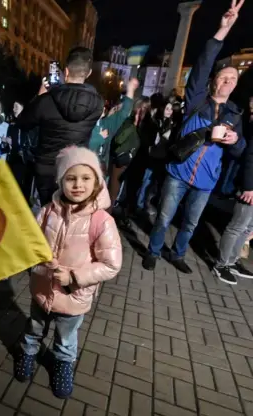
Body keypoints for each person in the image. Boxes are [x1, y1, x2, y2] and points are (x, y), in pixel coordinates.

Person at [142, 1, 247, 274]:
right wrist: (222, 31)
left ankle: (177, 255)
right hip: (179, 172)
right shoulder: (196, 100)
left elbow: (240, 151)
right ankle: (153, 251)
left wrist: (235, 141)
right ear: (214, 81)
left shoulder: (234, 114)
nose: (227, 82)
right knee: (164, 217)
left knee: (190, 223)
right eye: (223, 77)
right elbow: (202, 65)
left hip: (206, 181)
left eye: (232, 79)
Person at [14, 147, 122, 398]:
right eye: (71, 178)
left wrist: (74, 277)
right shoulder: (47, 211)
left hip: (74, 296)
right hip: (41, 289)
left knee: (66, 336)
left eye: (86, 178)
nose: (78, 185)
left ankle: (63, 364)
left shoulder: (101, 221)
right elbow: (34, 241)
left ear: (97, 181)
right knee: (34, 327)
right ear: (61, 181)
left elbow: (110, 264)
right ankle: (29, 353)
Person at [16, 47, 104, 205]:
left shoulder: (46, 100)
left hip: (46, 170)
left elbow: (23, 122)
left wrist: (40, 96)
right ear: (88, 73)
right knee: (68, 215)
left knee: (48, 212)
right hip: (73, 168)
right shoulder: (98, 104)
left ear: (66, 71)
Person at [214, 132, 253, 285]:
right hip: (250, 190)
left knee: (247, 228)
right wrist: (249, 187)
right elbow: (250, 157)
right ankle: (221, 264)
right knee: (237, 226)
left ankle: (232, 261)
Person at [136, 101, 181, 215]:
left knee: (153, 185)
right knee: (146, 182)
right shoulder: (156, 122)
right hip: (152, 157)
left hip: (162, 158)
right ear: (162, 109)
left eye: (171, 109)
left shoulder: (171, 123)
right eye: (167, 108)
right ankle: (139, 205)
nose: (169, 111)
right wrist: (161, 138)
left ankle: (145, 203)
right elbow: (152, 141)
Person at [89, 78, 140, 175]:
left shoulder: (105, 125)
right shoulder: (82, 124)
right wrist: (98, 137)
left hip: (100, 174)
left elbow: (124, 112)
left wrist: (130, 90)